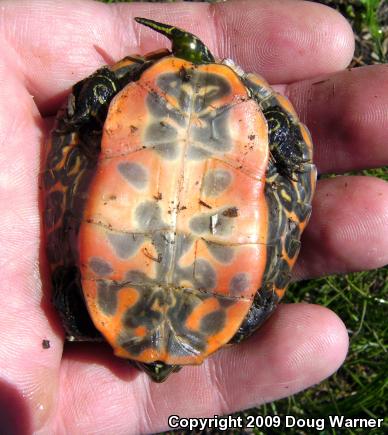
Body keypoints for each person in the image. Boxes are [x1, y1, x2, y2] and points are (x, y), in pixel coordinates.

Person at [0, 0, 387, 433]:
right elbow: (292, 166)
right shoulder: (82, 307)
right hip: (223, 129)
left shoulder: (79, 306)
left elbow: (77, 126)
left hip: (163, 113)